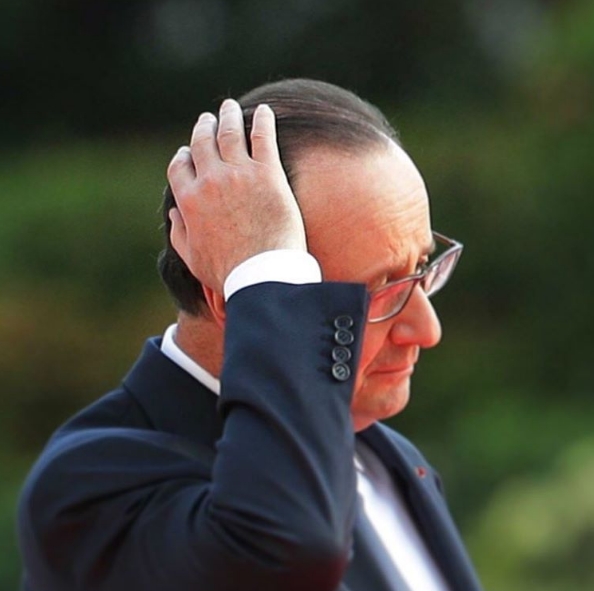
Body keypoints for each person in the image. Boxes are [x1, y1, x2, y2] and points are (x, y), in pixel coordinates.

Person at [17, 79, 483, 591]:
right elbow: (285, 554)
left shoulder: (389, 459)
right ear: (239, 297)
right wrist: (265, 273)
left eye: (421, 270)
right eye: (380, 291)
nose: (427, 330)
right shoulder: (91, 487)